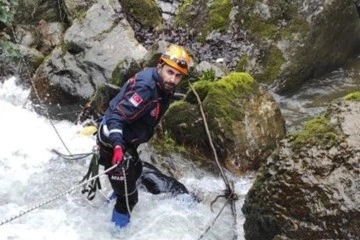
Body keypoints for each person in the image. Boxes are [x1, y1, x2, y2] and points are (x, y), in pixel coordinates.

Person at [96, 44, 190, 228]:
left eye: (178, 76)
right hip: (113, 141)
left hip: (126, 141)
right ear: (160, 66)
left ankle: (115, 197)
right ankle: (115, 232)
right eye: (170, 72)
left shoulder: (161, 86)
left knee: (136, 171)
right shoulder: (146, 89)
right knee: (129, 199)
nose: (173, 79)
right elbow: (117, 117)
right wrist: (116, 147)